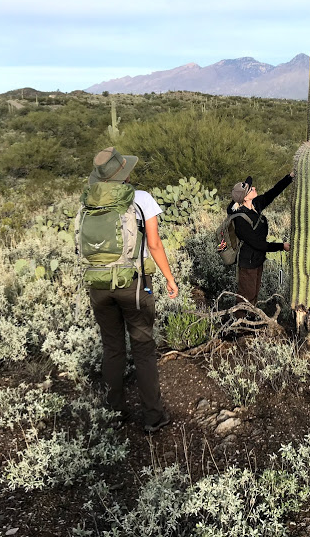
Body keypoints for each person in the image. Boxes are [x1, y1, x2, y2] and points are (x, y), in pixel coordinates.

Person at [83, 147, 179, 434]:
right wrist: (170, 278)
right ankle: (153, 416)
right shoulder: (141, 199)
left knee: (112, 348)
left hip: (98, 285)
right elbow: (154, 245)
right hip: (134, 284)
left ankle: (115, 413)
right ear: (124, 173)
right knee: (143, 348)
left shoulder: (89, 202)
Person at [229, 172, 294, 313]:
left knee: (254, 294)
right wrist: (281, 246)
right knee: (246, 296)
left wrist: (289, 177)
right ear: (245, 197)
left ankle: (249, 320)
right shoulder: (240, 218)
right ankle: (239, 327)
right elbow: (258, 244)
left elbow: (273, 192)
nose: (254, 188)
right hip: (248, 262)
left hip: (258, 259)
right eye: (251, 189)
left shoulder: (256, 205)